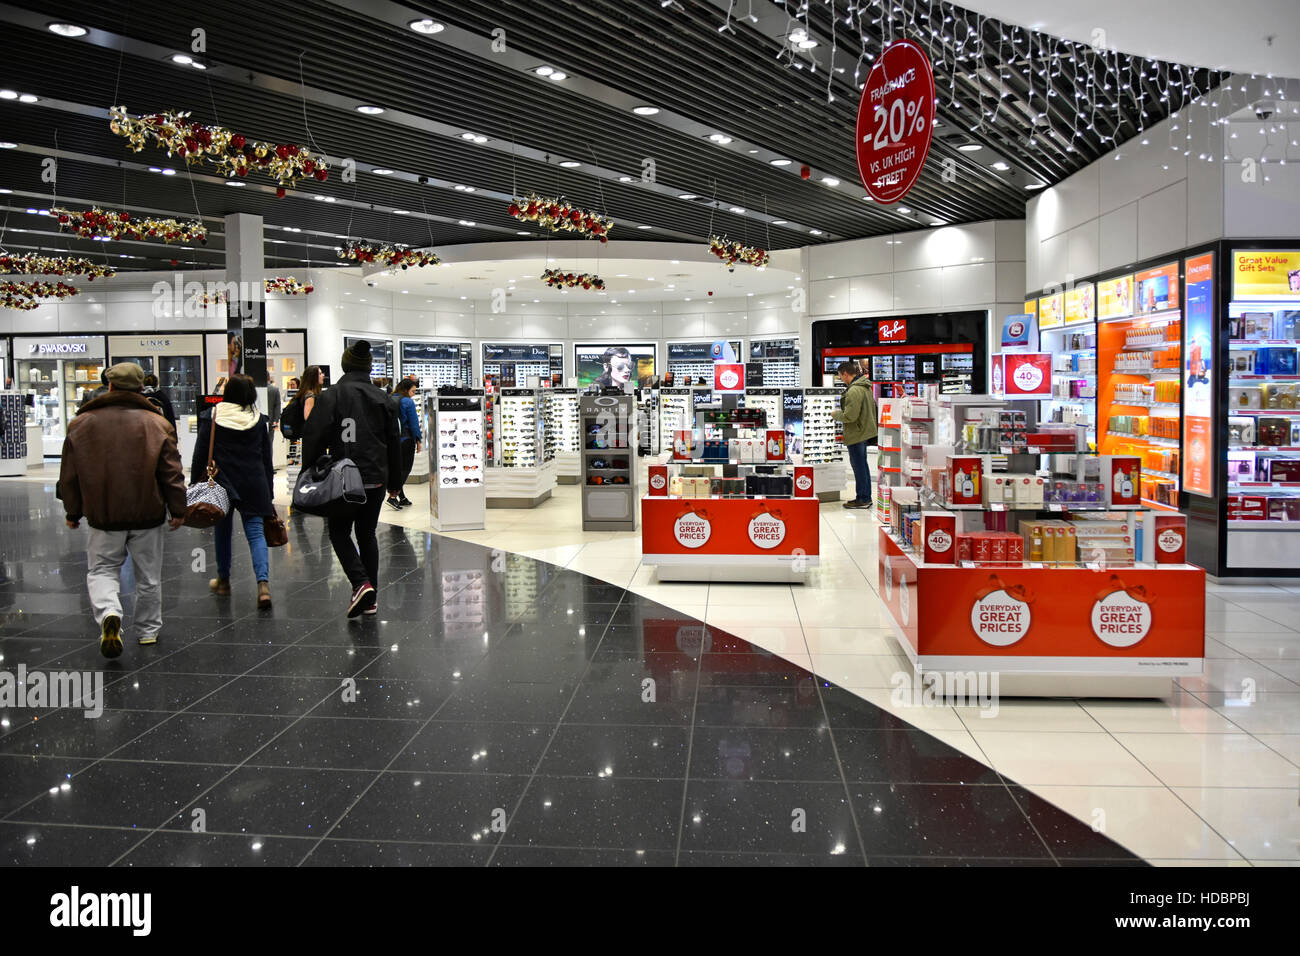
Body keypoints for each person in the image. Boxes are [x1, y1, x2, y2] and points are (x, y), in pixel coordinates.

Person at [57, 362, 186, 657]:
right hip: (148, 513)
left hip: (104, 515)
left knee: (102, 570)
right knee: (149, 576)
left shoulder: (81, 423)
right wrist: (178, 508)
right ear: (141, 388)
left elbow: (69, 476)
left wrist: (73, 512)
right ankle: (148, 632)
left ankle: (109, 613)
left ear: (110, 386)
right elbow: (171, 472)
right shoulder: (156, 423)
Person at [301, 341, 402, 618]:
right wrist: (395, 482)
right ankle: (371, 600)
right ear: (368, 367)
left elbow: (314, 435)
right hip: (375, 479)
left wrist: (308, 471)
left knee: (338, 532)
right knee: (367, 534)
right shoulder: (383, 398)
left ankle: (361, 583)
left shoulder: (331, 396)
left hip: (343, 480)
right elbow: (393, 442)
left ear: (345, 365)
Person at [192, 374, 275, 609]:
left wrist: (194, 483)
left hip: (222, 481)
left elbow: (200, 453)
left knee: (222, 530)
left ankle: (223, 580)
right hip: (254, 481)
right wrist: (268, 490)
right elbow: (266, 458)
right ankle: (263, 585)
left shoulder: (213, 416)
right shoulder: (258, 420)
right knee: (256, 532)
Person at [832, 360, 878, 510]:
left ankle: (863, 498)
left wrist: (835, 414)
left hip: (856, 433)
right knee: (862, 466)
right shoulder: (864, 387)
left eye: (840, 376)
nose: (841, 379)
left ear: (845, 373)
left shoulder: (853, 390)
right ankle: (864, 497)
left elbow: (850, 416)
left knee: (859, 467)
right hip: (863, 431)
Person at [387, 378, 423, 510]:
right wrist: (418, 440)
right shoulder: (408, 401)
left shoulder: (390, 398)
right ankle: (392, 496)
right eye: (413, 391)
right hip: (406, 440)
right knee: (405, 469)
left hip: (392, 440)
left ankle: (401, 497)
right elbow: (414, 423)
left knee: (396, 468)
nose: (414, 394)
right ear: (407, 390)